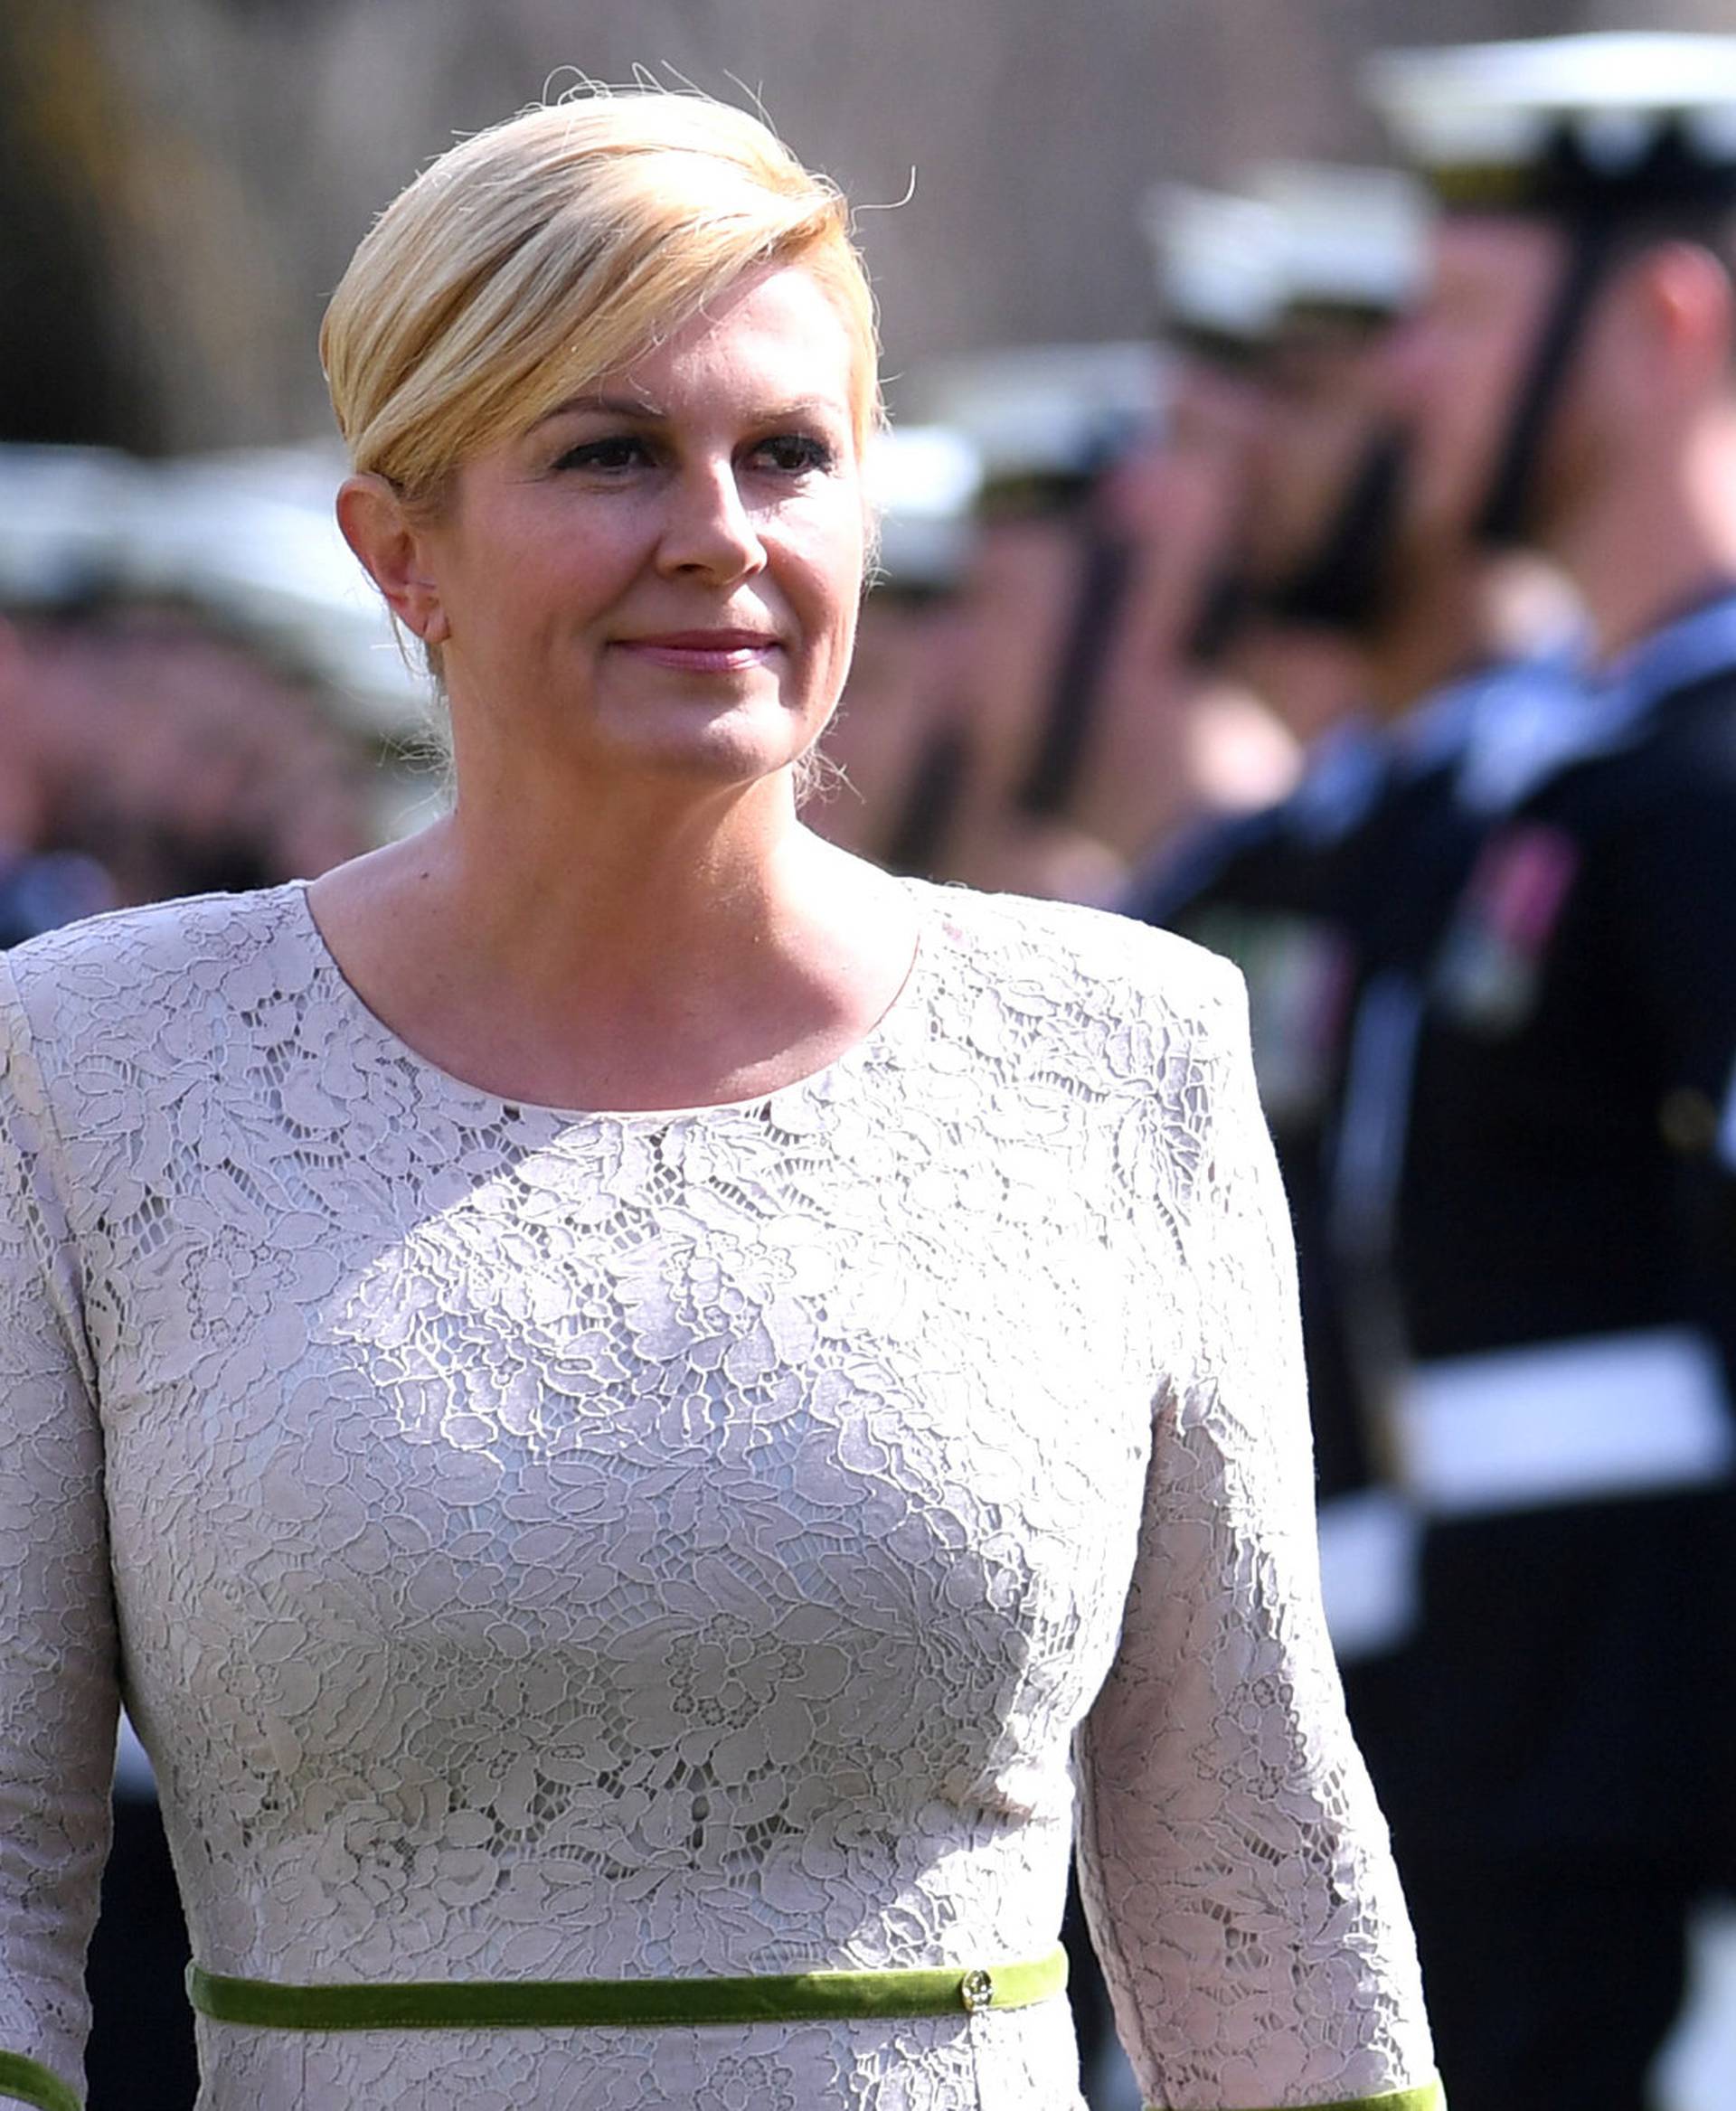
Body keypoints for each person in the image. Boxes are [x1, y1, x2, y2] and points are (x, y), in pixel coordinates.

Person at [0, 89, 1440, 2111]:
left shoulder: (1132, 1052)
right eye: (608, 453)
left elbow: (1262, 1874)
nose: (721, 534)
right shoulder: (91, 1061)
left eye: (789, 453)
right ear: (398, 550)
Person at [1343, 33, 1736, 2108]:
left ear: (1668, 320)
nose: (1413, 381)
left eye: (1472, 317)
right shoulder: (1571, 774)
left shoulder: (1712, 777)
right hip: (1512, 1756)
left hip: (1660, 1798)